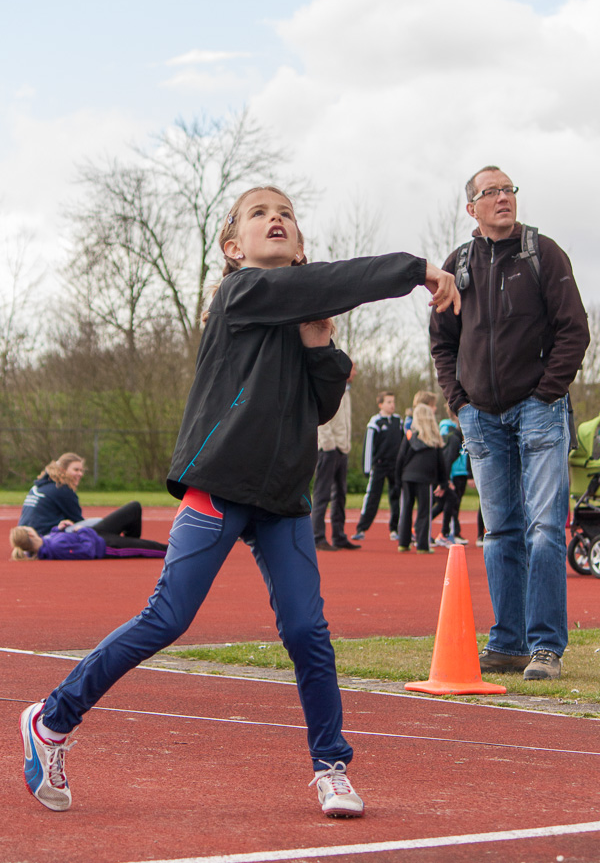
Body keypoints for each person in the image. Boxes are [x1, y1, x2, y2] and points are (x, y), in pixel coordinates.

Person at [19, 185, 459, 818]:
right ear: (233, 247)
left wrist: (319, 347)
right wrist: (413, 270)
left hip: (281, 500)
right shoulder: (240, 295)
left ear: (299, 245)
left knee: (308, 631)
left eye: (286, 214)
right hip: (220, 486)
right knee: (167, 619)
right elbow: (323, 285)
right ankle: (51, 719)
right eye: (260, 213)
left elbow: (324, 405)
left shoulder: (302, 310)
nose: (275, 219)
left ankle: (331, 766)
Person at [430, 165, 589, 680]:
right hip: (482, 419)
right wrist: (461, 403)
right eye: (490, 192)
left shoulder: (544, 254)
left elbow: (574, 330)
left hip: (539, 410)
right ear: (471, 208)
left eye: (508, 189)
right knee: (500, 532)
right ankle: (509, 642)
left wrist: (548, 392)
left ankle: (546, 648)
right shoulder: (457, 265)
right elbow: (442, 343)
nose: (503, 197)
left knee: (544, 529)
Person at [10, 502, 168, 560]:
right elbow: (87, 550)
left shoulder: (46, 541)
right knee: (156, 548)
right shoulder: (55, 548)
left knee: (134, 508)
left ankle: (133, 544)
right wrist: (81, 532)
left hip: (97, 532)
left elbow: (56, 537)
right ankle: (135, 547)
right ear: (30, 534)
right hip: (105, 544)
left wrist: (59, 528)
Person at [312, 363, 359, 551]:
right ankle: (317, 536)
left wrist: (344, 445)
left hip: (342, 448)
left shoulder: (346, 391)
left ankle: (338, 535)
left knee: (340, 494)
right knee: (322, 493)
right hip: (328, 448)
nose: (355, 372)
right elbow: (322, 417)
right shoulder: (331, 387)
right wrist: (328, 444)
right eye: (353, 368)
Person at [351, 391, 403, 542]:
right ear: (380, 405)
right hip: (379, 466)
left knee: (396, 496)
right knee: (373, 497)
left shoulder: (398, 421)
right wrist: (367, 469)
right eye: (388, 402)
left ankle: (395, 529)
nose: (392, 405)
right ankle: (361, 528)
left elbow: (403, 444)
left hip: (395, 466)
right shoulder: (375, 422)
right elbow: (368, 447)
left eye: (393, 402)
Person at [395, 404, 447, 553]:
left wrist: (398, 480)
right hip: (425, 478)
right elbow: (441, 464)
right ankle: (422, 545)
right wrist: (442, 483)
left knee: (406, 509)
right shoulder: (434, 439)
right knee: (424, 511)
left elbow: (400, 459)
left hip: (408, 477)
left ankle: (403, 543)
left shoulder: (410, 435)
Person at [18, 454, 88, 535]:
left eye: (81, 470)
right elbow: (78, 521)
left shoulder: (38, 486)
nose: (80, 474)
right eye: (76, 470)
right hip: (40, 539)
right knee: (87, 528)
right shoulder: (63, 489)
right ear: (63, 470)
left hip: (22, 537)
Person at [431, 409, 470, 547]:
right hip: (447, 475)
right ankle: (444, 533)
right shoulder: (452, 435)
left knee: (445, 503)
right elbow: (446, 458)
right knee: (450, 500)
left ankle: (421, 530)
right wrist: (446, 480)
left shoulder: (458, 435)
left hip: (451, 474)